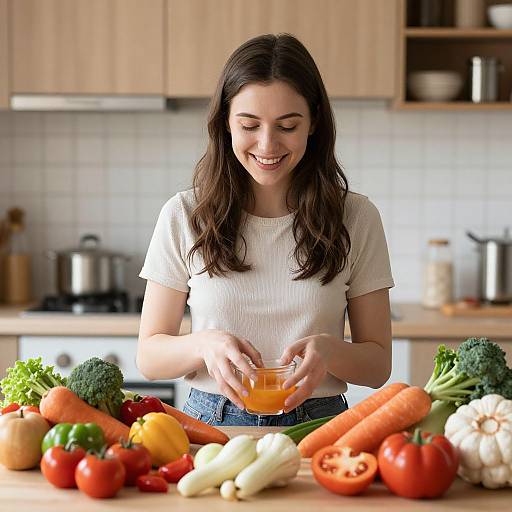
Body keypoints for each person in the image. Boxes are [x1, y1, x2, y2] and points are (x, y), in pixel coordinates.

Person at [137, 33, 394, 427]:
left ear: (313, 124)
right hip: (211, 423)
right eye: (249, 125)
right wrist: (204, 344)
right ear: (226, 124)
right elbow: (150, 357)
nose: (267, 144)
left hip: (318, 427)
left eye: (287, 126)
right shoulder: (185, 214)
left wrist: (330, 351)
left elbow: (377, 365)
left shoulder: (356, 217)